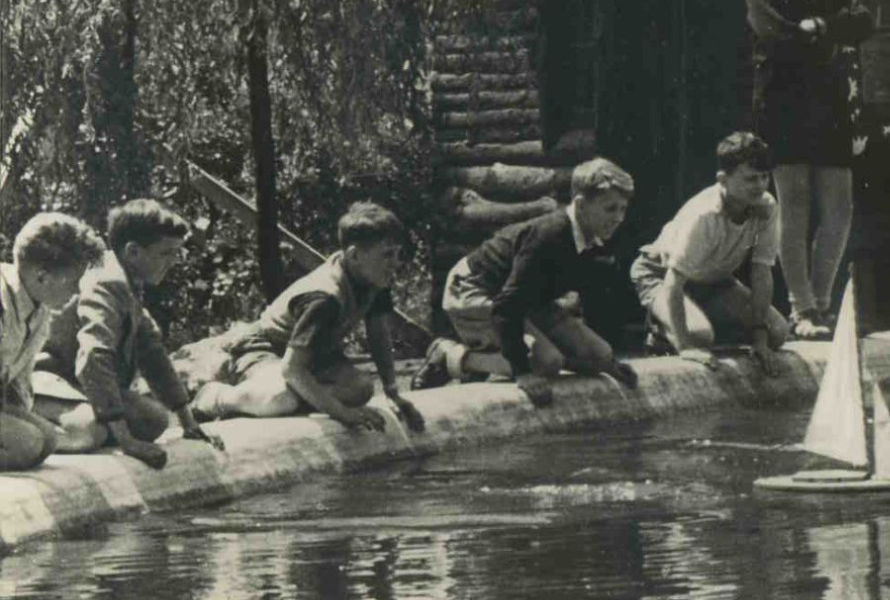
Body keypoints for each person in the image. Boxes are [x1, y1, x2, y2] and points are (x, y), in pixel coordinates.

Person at [745, 0, 872, 340]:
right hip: (783, 106)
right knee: (795, 206)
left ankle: (822, 301)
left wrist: (818, 27)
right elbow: (776, 38)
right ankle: (801, 308)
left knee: (839, 207)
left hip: (830, 103)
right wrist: (826, 33)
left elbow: (862, 23)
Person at [417, 157, 640, 407]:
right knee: (546, 363)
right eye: (610, 208)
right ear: (580, 205)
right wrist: (522, 371)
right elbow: (506, 306)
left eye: (622, 209)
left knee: (600, 357)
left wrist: (608, 363)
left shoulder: (594, 237)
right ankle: (451, 356)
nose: (619, 218)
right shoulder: (549, 236)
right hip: (475, 288)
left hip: (525, 299)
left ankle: (503, 353)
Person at [189, 201, 425, 433]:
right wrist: (342, 413)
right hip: (265, 348)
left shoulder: (371, 278)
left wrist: (393, 392)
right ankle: (215, 397)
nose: (396, 263)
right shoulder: (323, 298)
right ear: (354, 256)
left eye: (397, 254)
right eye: (387, 255)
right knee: (281, 398)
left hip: (311, 356)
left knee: (361, 388)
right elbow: (292, 369)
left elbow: (378, 333)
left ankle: (264, 401)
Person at [35, 200, 221, 468]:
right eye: (166, 253)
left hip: (76, 382)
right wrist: (126, 441)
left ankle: (96, 423)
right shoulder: (107, 282)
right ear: (133, 251)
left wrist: (188, 421)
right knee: (86, 431)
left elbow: (152, 353)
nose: (174, 262)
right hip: (45, 378)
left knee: (154, 420)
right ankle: (20, 430)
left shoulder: (128, 281)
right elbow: (94, 358)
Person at [630, 132, 789, 373]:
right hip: (660, 276)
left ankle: (699, 321)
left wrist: (759, 338)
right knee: (699, 338)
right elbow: (674, 281)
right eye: (750, 179)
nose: (760, 186)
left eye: (764, 177)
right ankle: (661, 332)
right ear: (723, 180)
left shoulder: (766, 206)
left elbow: (761, 272)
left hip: (713, 281)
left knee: (776, 333)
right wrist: (685, 347)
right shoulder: (703, 215)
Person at [0, 213, 105, 470]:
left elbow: (18, 383)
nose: (78, 291)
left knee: (47, 440)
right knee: (28, 444)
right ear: (42, 276)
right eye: (73, 281)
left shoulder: (39, 304)